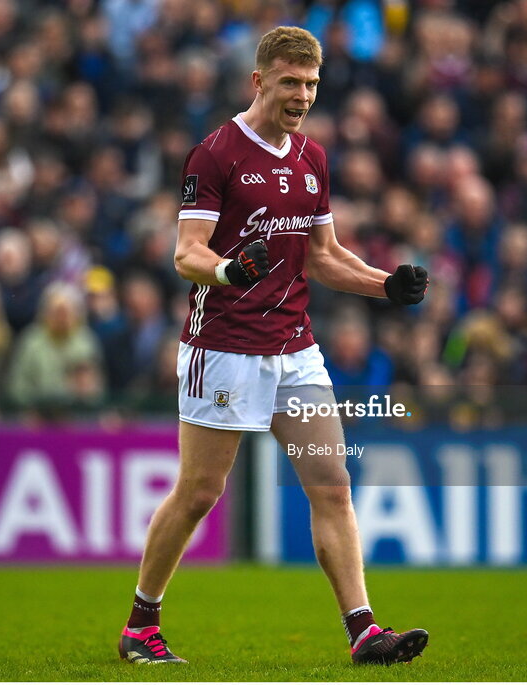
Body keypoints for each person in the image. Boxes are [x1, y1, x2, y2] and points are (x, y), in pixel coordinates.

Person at [118, 26, 430, 667]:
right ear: (258, 81)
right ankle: (140, 625)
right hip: (225, 348)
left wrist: (386, 285)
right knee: (200, 491)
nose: (303, 95)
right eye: (291, 81)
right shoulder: (216, 154)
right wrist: (232, 271)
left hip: (295, 349)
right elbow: (187, 255)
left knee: (333, 486)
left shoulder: (313, 157)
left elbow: (324, 257)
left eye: (311, 84)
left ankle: (364, 632)